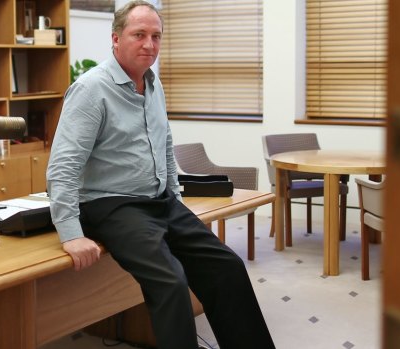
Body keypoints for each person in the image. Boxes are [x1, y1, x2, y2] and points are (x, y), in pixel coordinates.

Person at [46, 1, 275, 348]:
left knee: (227, 267)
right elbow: (64, 164)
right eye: (139, 35)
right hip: (112, 205)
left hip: (160, 202)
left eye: (156, 36)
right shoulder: (91, 89)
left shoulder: (154, 84)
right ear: (116, 38)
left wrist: (176, 199)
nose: (149, 44)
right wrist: (70, 233)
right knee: (171, 282)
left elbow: (164, 143)